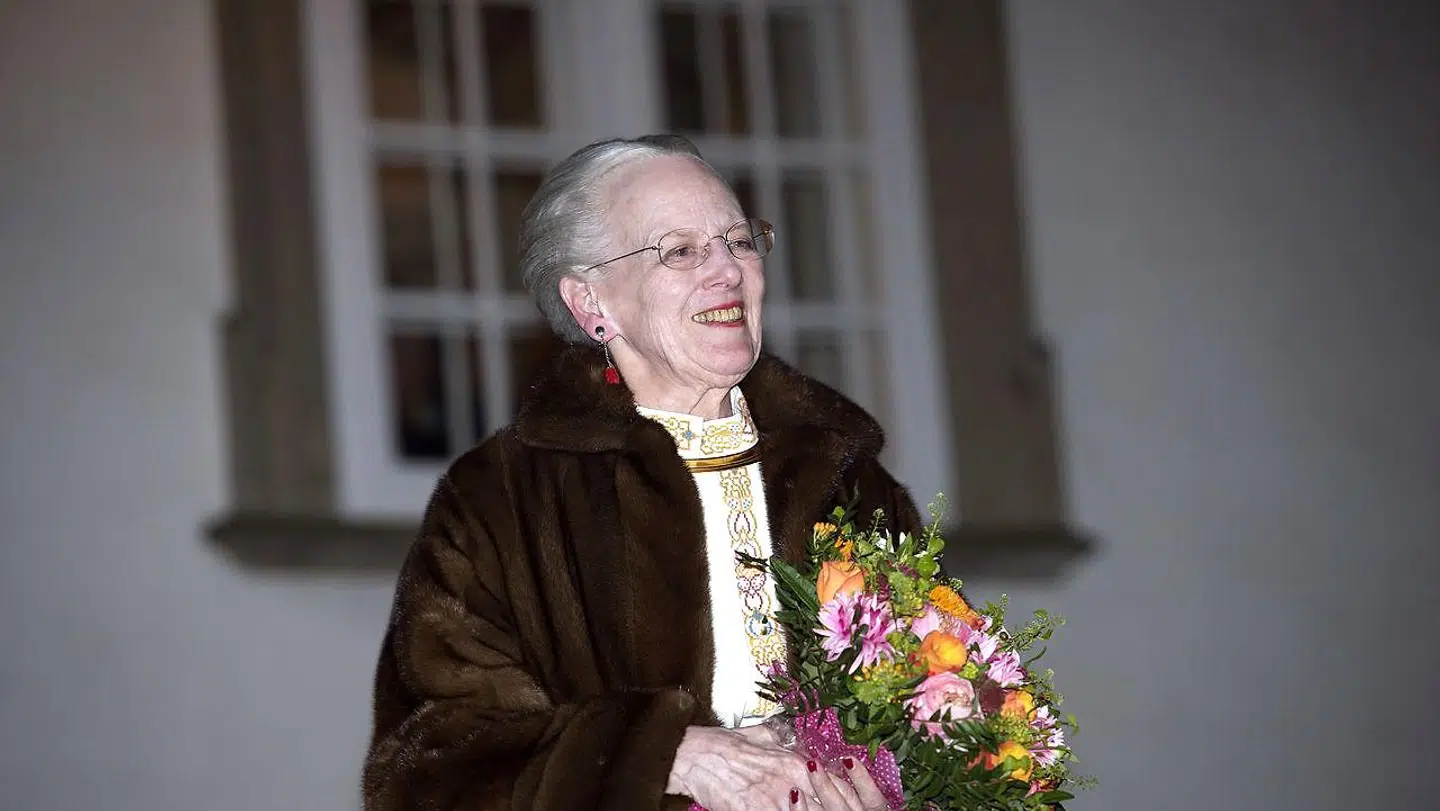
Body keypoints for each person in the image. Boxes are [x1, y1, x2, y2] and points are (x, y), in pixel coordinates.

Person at [362, 134, 923, 811]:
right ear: (591, 303)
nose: (726, 271)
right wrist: (665, 753)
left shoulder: (844, 477)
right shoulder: (503, 502)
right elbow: (426, 773)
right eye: (680, 251)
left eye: (739, 241)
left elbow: (951, 708)